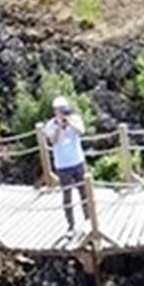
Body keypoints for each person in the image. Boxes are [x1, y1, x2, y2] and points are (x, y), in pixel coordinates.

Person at [45, 96, 93, 233]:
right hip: (63, 165)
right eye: (59, 110)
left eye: (63, 109)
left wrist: (70, 122)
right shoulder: (50, 125)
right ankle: (71, 225)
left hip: (78, 161)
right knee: (67, 195)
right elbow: (53, 141)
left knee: (84, 192)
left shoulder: (75, 119)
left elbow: (81, 131)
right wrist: (59, 127)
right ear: (55, 111)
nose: (62, 112)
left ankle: (88, 220)